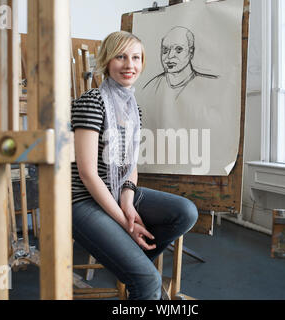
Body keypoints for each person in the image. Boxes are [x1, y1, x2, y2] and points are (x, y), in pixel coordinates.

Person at [71, 31, 198, 300]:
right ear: (106, 61)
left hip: (118, 192)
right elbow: (87, 173)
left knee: (185, 212)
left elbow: (131, 164)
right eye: (120, 56)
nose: (130, 64)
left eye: (136, 57)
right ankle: (138, 274)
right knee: (149, 282)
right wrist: (126, 223)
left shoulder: (133, 109)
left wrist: (127, 203)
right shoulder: (92, 102)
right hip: (82, 199)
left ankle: (130, 264)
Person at [143, 26, 219, 99]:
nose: (169, 56)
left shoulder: (211, 85)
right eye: (165, 50)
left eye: (179, 49)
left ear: (191, 52)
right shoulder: (152, 86)